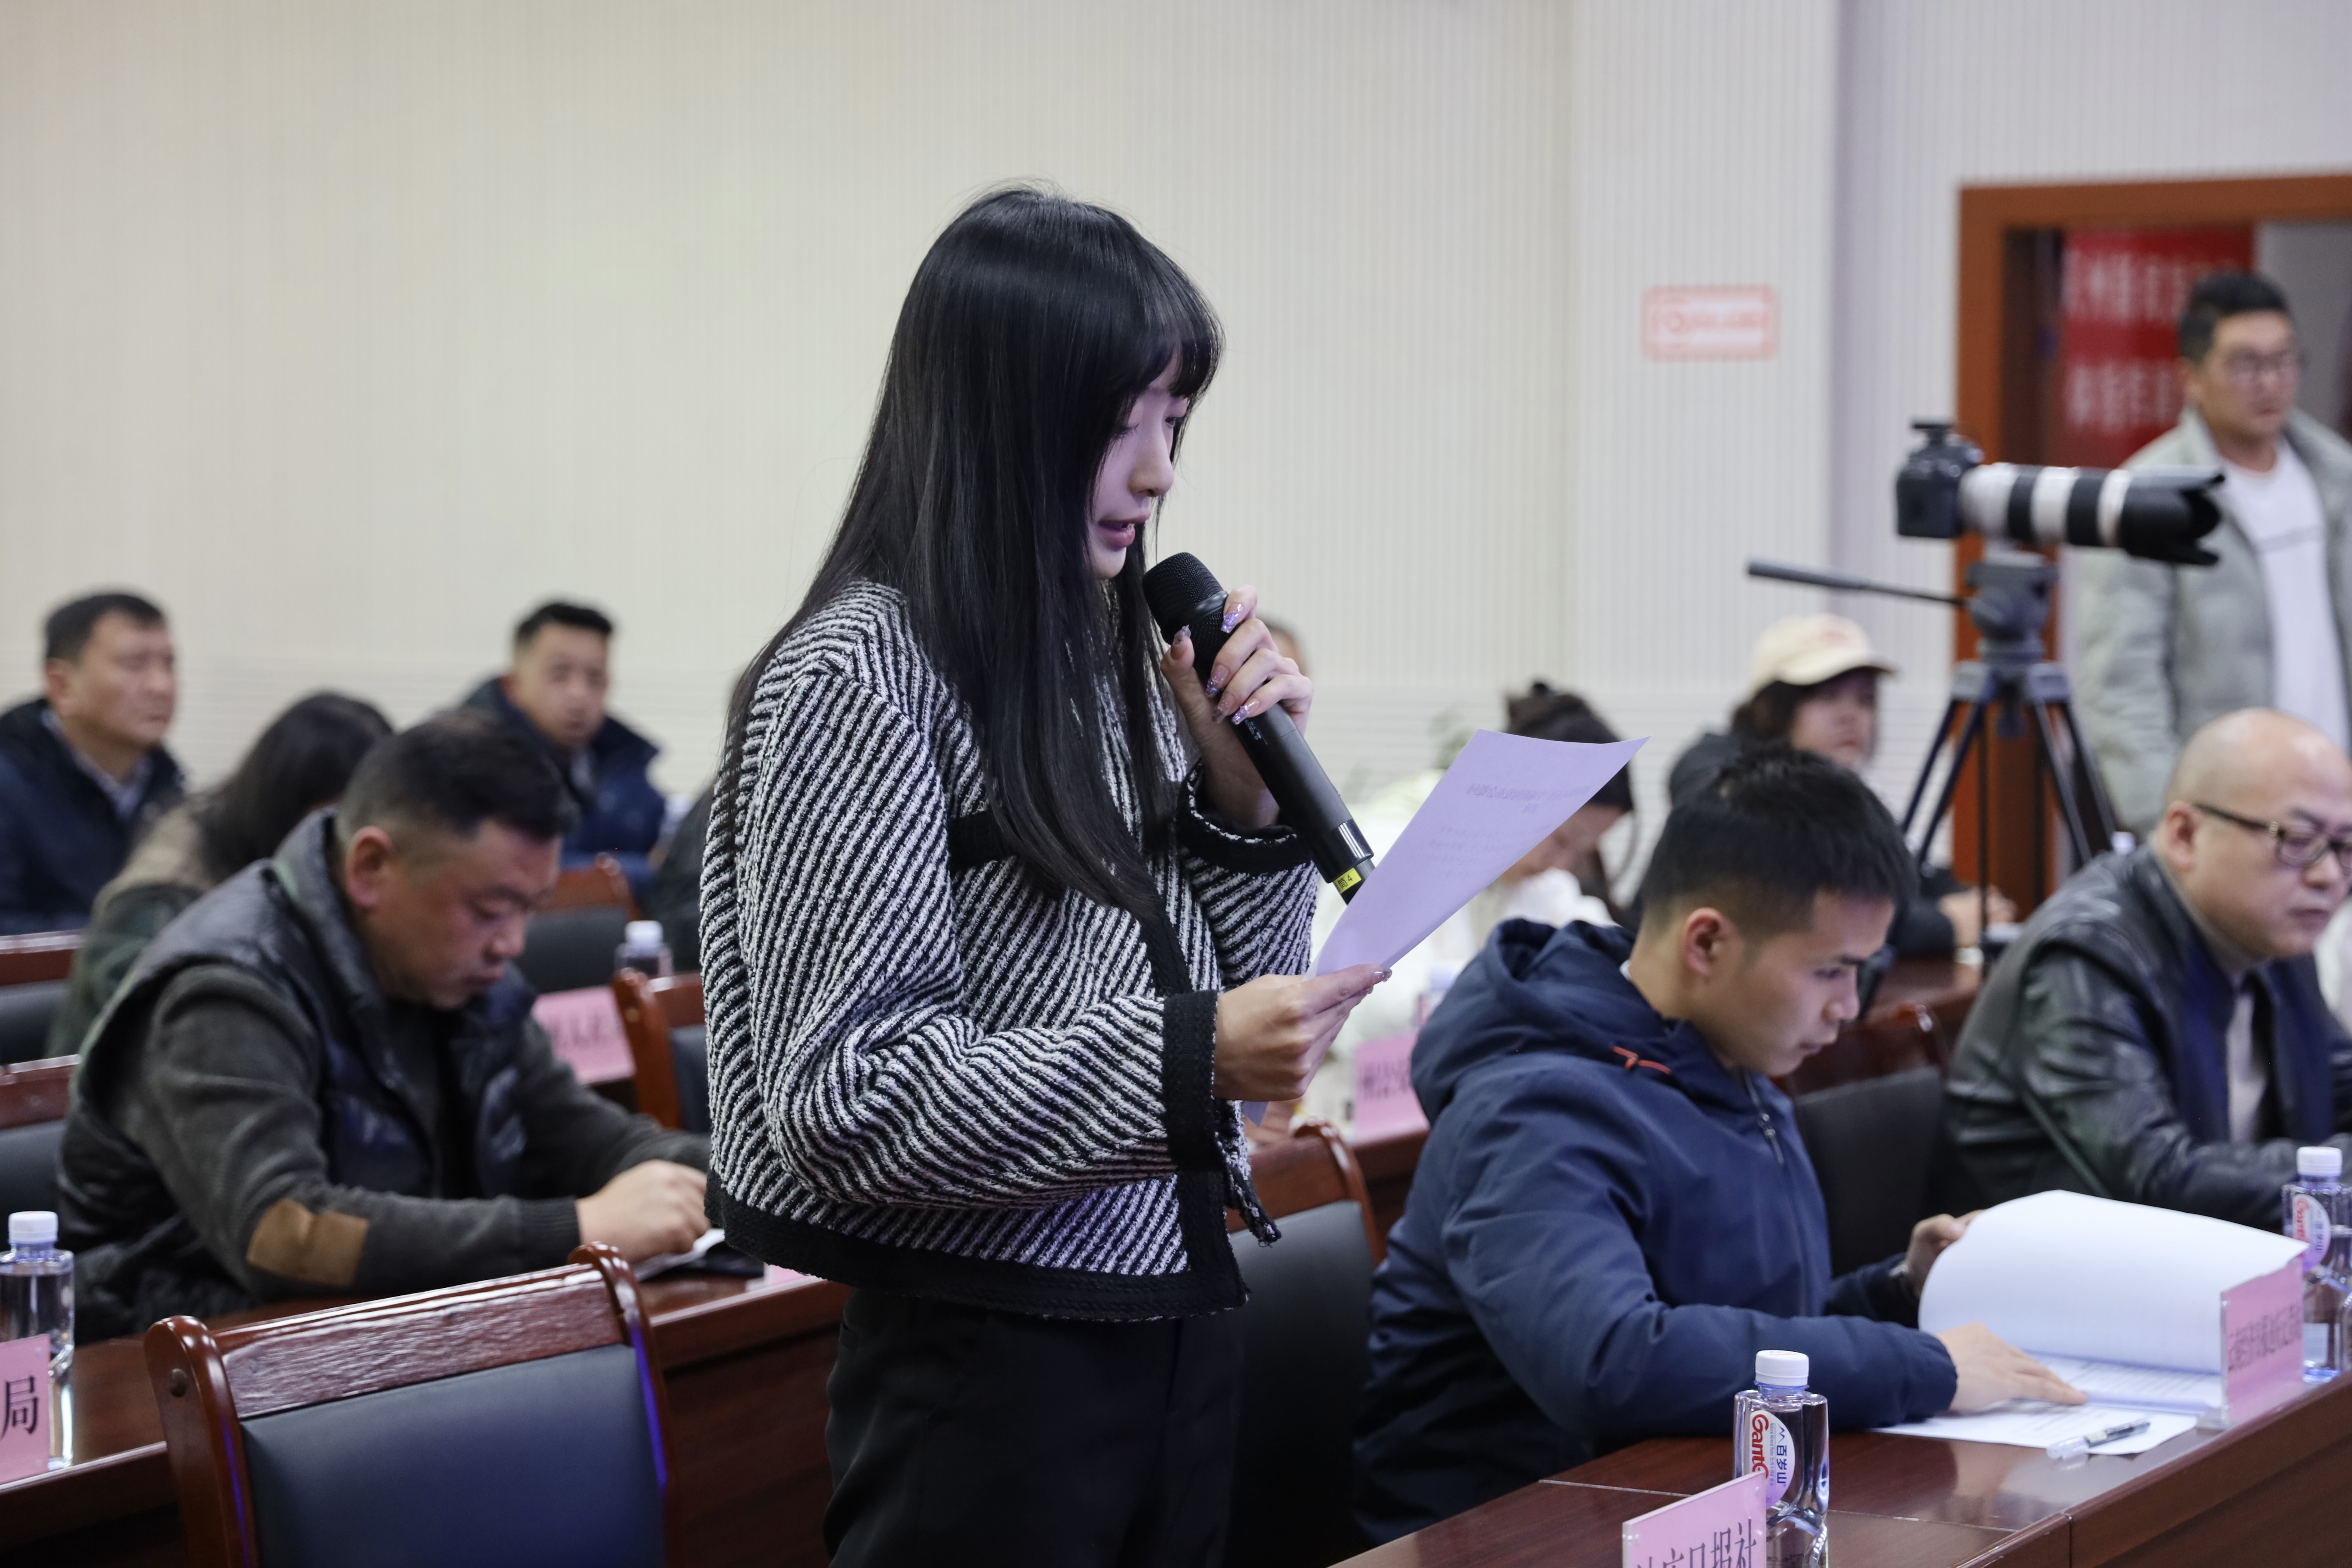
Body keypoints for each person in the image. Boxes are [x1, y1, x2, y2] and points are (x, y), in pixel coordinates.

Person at [699, 188, 1382, 1567]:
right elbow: (849, 1094)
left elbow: (1238, 1015)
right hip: (987, 1357)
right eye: (1124, 420)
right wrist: (1190, 1056)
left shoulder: (1111, 656)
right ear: (1004, 419)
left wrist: (1244, 800)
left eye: (1175, 420)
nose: (1159, 471)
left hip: (1170, 1308)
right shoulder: (858, 674)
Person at [1352, 747, 2079, 1542]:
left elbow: (1753, 1328)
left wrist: (1894, 1292)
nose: (1847, 1006)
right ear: (1705, 943)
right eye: (1829, 971)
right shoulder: (1530, 1105)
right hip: (1506, 1535)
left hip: (1674, 1509)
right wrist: (1922, 1365)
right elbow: (1611, 1360)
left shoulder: (1722, 1057)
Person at [55, 713, 709, 1342]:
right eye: (489, 908)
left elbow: (586, 1140)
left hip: (373, 1338)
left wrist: (734, 1179)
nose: (511, 943)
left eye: (529, 910)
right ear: (371, 867)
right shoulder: (226, 987)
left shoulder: (461, 974)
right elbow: (286, 1231)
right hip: (167, 1355)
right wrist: (576, 1226)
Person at [1941, 709, 2352, 1229]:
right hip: (2051, 1268)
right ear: (2184, 835)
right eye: (2296, 838)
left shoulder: (2274, 937)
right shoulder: (2087, 954)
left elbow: (2340, 1089)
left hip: (2219, 1262)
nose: (2327, 875)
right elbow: (2158, 1181)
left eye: (2344, 845)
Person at [2077, 272, 2352, 836]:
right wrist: (2164, 825)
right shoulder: (2150, 497)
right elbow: (2122, 685)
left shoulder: (2336, 475)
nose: (2270, 382)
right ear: (2191, 377)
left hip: (2338, 797)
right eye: (2245, 365)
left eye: (2283, 360)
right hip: (2233, 816)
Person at [1301, 683, 1631, 1128]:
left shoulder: (1537, 880)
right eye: (1560, 840)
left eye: (1581, 851)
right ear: (1519, 793)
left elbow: (1609, 955)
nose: (1563, 864)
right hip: (1348, 1117)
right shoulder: (1392, 845)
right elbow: (1386, 1007)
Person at [46, 692, 393, 1056]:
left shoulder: (295, 871)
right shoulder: (164, 897)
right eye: (339, 825)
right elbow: (175, 1044)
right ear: (290, 808)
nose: (354, 854)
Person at [1669, 613, 2014, 953]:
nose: (1851, 716)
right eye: (1827, 696)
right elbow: (1809, 902)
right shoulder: (1714, 766)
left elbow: (1909, 870)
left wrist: (1972, 906)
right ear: (1773, 705)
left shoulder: (1844, 789)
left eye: (1865, 699)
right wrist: (1943, 925)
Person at [0, 591, 184, 933]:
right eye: (135, 665)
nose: (162, 686)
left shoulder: (172, 790)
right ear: (62, 685)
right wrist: (123, 937)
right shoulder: (10, 782)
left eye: (169, 665)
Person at [462, 600, 667, 897]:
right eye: (559, 674)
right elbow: (512, 873)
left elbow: (666, 854)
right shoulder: (467, 762)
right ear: (512, 685)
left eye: (595, 678)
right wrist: (635, 873)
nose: (579, 695)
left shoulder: (620, 759)